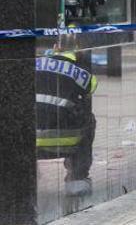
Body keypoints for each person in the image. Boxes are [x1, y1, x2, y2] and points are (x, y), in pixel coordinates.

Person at [35, 34, 96, 197]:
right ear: (77, 49)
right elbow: (91, 88)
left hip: (29, 139)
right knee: (89, 119)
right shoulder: (80, 71)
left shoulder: (34, 64)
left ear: (55, 47)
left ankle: (25, 175)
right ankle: (77, 179)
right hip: (66, 139)